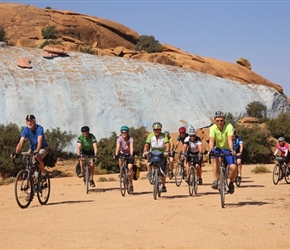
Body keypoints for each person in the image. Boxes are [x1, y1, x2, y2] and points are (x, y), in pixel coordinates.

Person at [11, 115, 48, 180]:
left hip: (43, 148)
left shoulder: (39, 128)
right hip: (32, 148)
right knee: (28, 162)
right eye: (28, 121)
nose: (29, 123)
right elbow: (21, 142)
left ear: (34, 121)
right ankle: (31, 184)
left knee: (37, 157)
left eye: (31, 121)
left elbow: (39, 141)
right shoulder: (25, 129)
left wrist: (37, 151)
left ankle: (43, 173)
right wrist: (16, 152)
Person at [208, 110, 237, 194]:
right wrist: (211, 150)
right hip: (218, 148)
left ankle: (231, 183)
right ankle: (215, 181)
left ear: (224, 120)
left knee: (233, 167)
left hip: (227, 149)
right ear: (214, 121)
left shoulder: (229, 126)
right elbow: (211, 140)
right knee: (216, 161)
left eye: (221, 120)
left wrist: (231, 149)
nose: (219, 122)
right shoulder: (213, 128)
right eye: (217, 121)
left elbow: (229, 139)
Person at [143, 122, 170, 192]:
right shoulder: (150, 136)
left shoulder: (164, 136)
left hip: (162, 154)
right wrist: (145, 151)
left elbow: (167, 144)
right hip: (153, 153)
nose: (156, 131)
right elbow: (147, 144)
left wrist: (167, 151)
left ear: (160, 130)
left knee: (162, 171)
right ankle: (150, 173)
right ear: (153, 130)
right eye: (155, 130)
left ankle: (163, 185)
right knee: (149, 162)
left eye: (158, 129)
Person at [115, 125, 135, 192]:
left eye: (125, 132)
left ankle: (131, 185)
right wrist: (116, 154)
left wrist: (131, 155)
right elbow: (117, 147)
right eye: (123, 132)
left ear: (127, 133)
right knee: (120, 160)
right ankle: (122, 171)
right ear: (121, 133)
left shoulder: (130, 139)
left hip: (129, 154)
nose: (124, 134)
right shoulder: (119, 139)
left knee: (130, 168)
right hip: (122, 153)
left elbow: (131, 147)